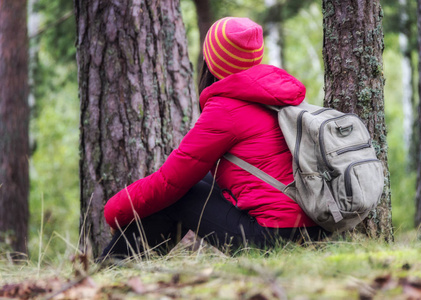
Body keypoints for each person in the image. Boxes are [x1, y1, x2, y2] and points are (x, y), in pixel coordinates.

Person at [100, 16, 327, 259]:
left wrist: (114, 211)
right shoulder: (276, 96)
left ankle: (116, 264)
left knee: (180, 194)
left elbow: (169, 183)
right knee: (205, 181)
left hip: (276, 240)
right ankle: (121, 263)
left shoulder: (225, 109)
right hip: (314, 230)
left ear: (212, 60)